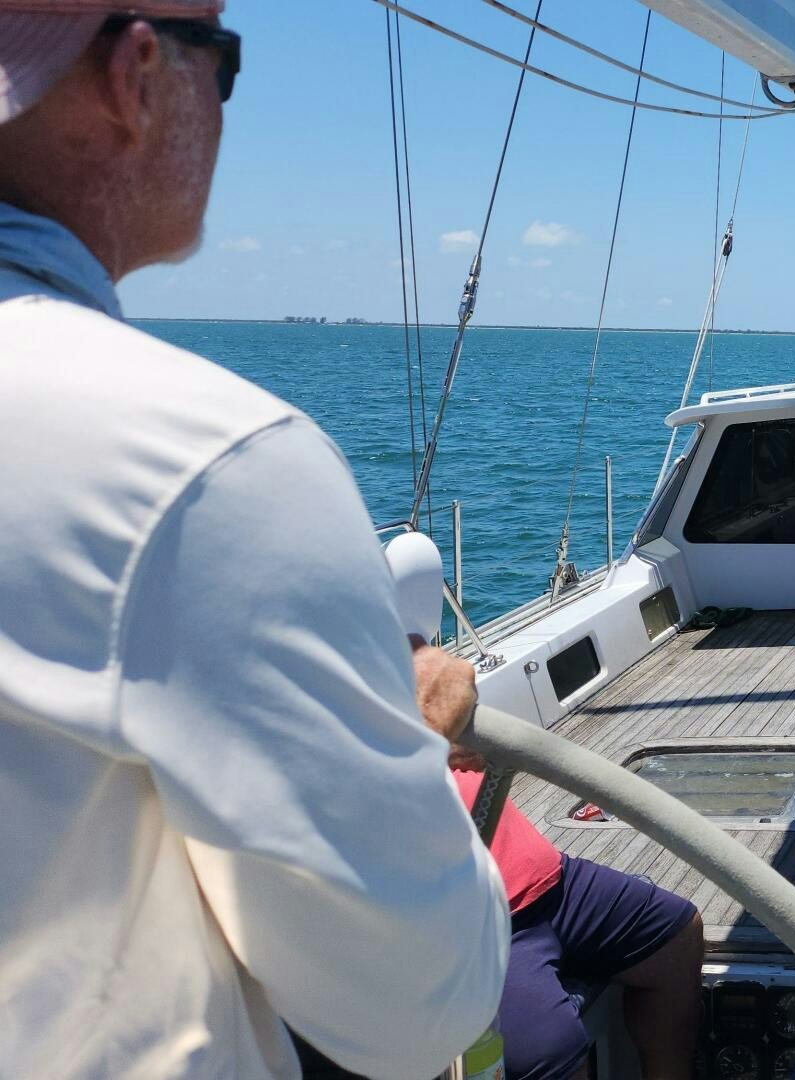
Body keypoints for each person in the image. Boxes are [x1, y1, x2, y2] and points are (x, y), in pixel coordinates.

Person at [0, 5, 510, 1077]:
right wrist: (411, 739)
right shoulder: (201, 463)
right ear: (140, 72)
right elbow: (418, 1004)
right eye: (221, 65)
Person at [445, 757, 705, 1080]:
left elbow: (469, 740)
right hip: (481, 923)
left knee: (677, 939)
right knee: (553, 1053)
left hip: (552, 879)